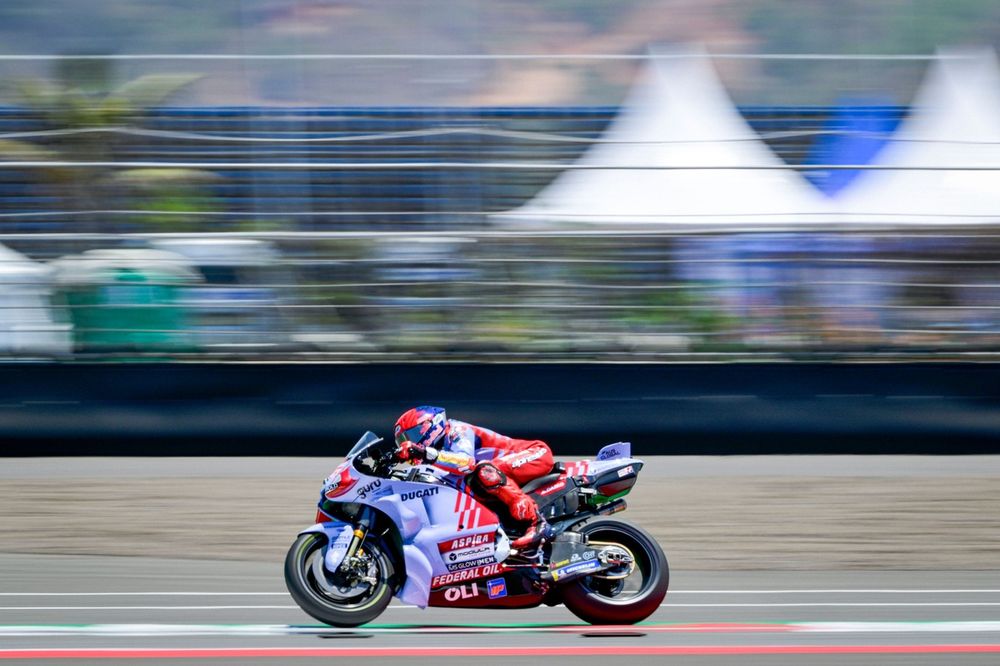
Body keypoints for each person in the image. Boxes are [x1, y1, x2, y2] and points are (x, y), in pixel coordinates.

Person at [393, 406, 555, 553]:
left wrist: (424, 453)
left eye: (412, 437)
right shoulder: (439, 454)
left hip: (535, 453)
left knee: (484, 470)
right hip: (504, 471)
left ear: (430, 425)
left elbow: (466, 463)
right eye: (403, 442)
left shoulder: (456, 430)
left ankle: (537, 523)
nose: (410, 444)